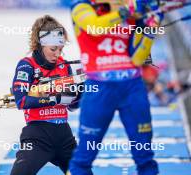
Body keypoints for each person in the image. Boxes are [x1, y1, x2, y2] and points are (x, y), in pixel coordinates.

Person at [68, 0, 163, 175]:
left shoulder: (131, 13)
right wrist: (126, 11)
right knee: (84, 157)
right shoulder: (82, 6)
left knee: (145, 156)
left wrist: (150, 28)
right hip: (99, 88)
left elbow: (137, 59)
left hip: (133, 88)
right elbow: (94, 27)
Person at [10, 15, 79, 175]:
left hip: (64, 136)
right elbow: (21, 101)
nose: (57, 54)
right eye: (53, 49)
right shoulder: (27, 65)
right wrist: (54, 98)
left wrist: (80, 96)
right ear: (40, 44)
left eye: (60, 49)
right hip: (37, 136)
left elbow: (72, 106)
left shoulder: (64, 65)